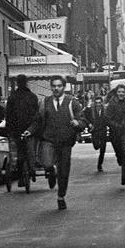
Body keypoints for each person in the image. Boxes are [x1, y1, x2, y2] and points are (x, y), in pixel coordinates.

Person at [24, 76, 85, 210]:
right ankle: (50, 170)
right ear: (51, 87)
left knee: (64, 171)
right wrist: (30, 130)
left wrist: (78, 123)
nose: (56, 88)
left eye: (59, 86)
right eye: (54, 86)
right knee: (46, 162)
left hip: (65, 142)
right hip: (48, 140)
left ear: (64, 87)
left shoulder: (72, 103)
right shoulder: (44, 102)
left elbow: (82, 121)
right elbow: (37, 121)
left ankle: (61, 197)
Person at [4, 75, 39, 185]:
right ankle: (32, 169)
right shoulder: (33, 97)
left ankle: (20, 175)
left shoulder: (12, 97)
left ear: (17, 84)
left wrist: (10, 130)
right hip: (30, 129)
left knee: (19, 153)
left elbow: (8, 115)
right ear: (26, 83)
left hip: (16, 130)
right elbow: (36, 115)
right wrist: (34, 128)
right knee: (31, 151)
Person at [84, 95, 109, 172]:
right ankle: (96, 144)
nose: (98, 104)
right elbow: (84, 117)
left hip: (103, 131)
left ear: (102, 103)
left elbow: (109, 119)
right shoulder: (90, 110)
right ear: (95, 103)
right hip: (95, 131)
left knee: (103, 149)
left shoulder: (105, 110)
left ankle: (99, 165)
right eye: (97, 103)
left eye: (99, 103)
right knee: (96, 146)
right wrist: (89, 124)